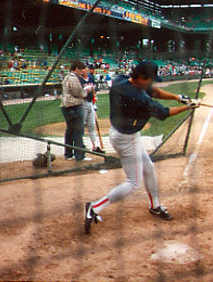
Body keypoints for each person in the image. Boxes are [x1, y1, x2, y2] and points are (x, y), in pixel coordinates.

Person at [84, 61, 199, 234]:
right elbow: (164, 113)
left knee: (149, 169)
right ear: (141, 78)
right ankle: (94, 208)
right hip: (126, 138)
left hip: (124, 133)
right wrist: (187, 107)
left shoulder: (121, 80)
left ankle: (155, 205)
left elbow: (153, 91)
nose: (152, 83)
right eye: (150, 79)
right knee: (133, 183)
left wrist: (177, 97)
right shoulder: (139, 99)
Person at [61, 60, 93, 162]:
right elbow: (77, 93)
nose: (83, 71)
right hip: (73, 106)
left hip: (67, 106)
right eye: (82, 69)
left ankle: (68, 154)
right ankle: (79, 156)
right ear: (76, 69)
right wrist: (86, 91)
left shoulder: (67, 77)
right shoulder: (73, 78)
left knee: (70, 130)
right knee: (78, 131)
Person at [80, 65, 105, 154]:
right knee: (81, 126)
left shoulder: (90, 77)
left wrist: (94, 101)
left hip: (90, 103)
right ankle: (80, 147)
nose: (84, 71)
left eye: (85, 70)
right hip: (82, 104)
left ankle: (95, 146)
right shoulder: (78, 79)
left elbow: (93, 90)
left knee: (91, 125)